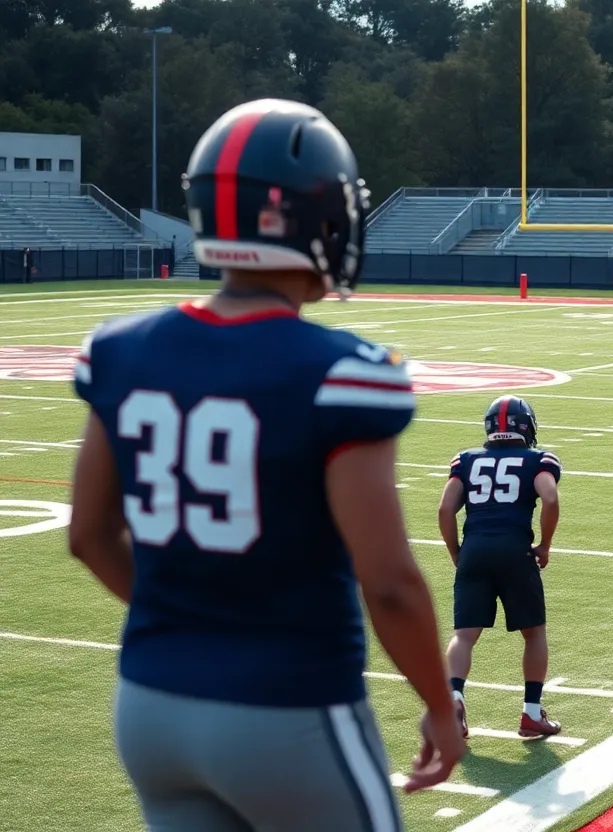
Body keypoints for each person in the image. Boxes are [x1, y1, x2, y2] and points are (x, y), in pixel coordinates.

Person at [67, 98, 463, 832]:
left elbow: (88, 535)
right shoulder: (345, 371)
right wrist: (442, 705)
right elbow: (391, 583)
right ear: (312, 218)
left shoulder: (120, 350)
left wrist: (191, 624)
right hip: (289, 706)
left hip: (152, 705)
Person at [438, 395, 563, 740]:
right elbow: (549, 498)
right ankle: (532, 714)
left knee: (464, 635)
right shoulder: (539, 459)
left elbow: (445, 509)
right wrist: (546, 545)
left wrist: (456, 552)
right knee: (534, 632)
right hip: (514, 549)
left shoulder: (466, 460)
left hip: (475, 548)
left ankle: (453, 698)